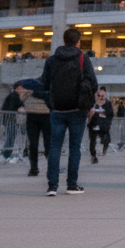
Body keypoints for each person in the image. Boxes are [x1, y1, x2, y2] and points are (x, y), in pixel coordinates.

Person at [37, 27, 98, 196]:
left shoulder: (52, 60)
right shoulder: (82, 58)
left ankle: (52, 186)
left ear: (64, 41)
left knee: (55, 147)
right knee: (74, 148)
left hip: (57, 109)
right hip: (77, 109)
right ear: (78, 41)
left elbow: (44, 83)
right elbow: (93, 83)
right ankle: (71, 184)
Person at [87, 88, 114, 164]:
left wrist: (106, 120)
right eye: (98, 95)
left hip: (103, 125)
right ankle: (93, 155)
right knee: (92, 140)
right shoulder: (92, 103)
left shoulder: (107, 104)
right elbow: (87, 113)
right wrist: (91, 115)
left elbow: (110, 114)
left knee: (105, 138)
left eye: (102, 96)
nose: (100, 97)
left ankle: (104, 148)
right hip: (93, 124)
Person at [0, 85, 24, 161]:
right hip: (10, 118)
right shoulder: (14, 96)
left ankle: (6, 152)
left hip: (10, 118)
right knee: (11, 135)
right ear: (18, 88)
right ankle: (6, 153)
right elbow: (16, 106)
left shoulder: (14, 96)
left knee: (11, 135)